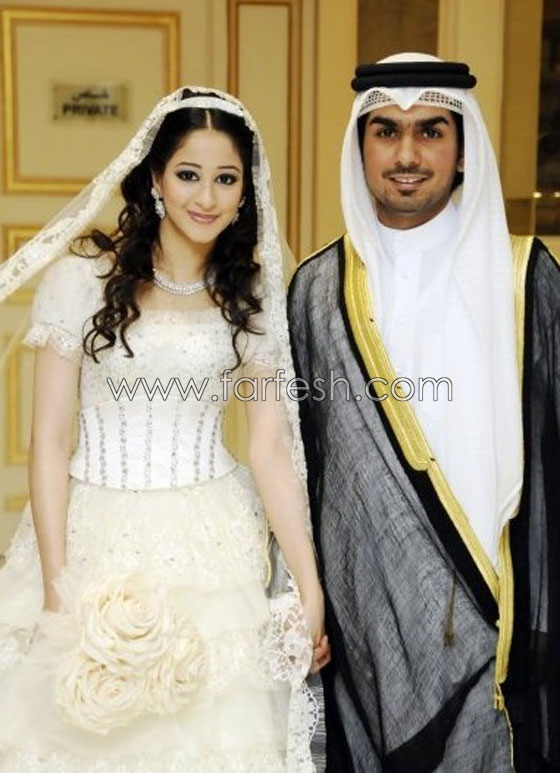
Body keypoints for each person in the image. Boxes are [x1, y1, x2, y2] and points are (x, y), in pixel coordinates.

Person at [0, 87, 330, 771]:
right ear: (154, 178)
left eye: (225, 178)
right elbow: (50, 442)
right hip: (92, 530)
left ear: (245, 191)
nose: (206, 197)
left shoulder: (252, 295)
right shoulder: (80, 282)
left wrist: (308, 582)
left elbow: (269, 448)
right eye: (188, 174)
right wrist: (58, 587)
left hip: (216, 536)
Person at [288, 52, 559, 772]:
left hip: (499, 620)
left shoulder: (524, 277)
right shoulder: (317, 289)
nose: (406, 155)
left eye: (431, 131)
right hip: (366, 634)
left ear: (463, 149)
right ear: (361, 146)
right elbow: (300, 468)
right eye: (385, 131)